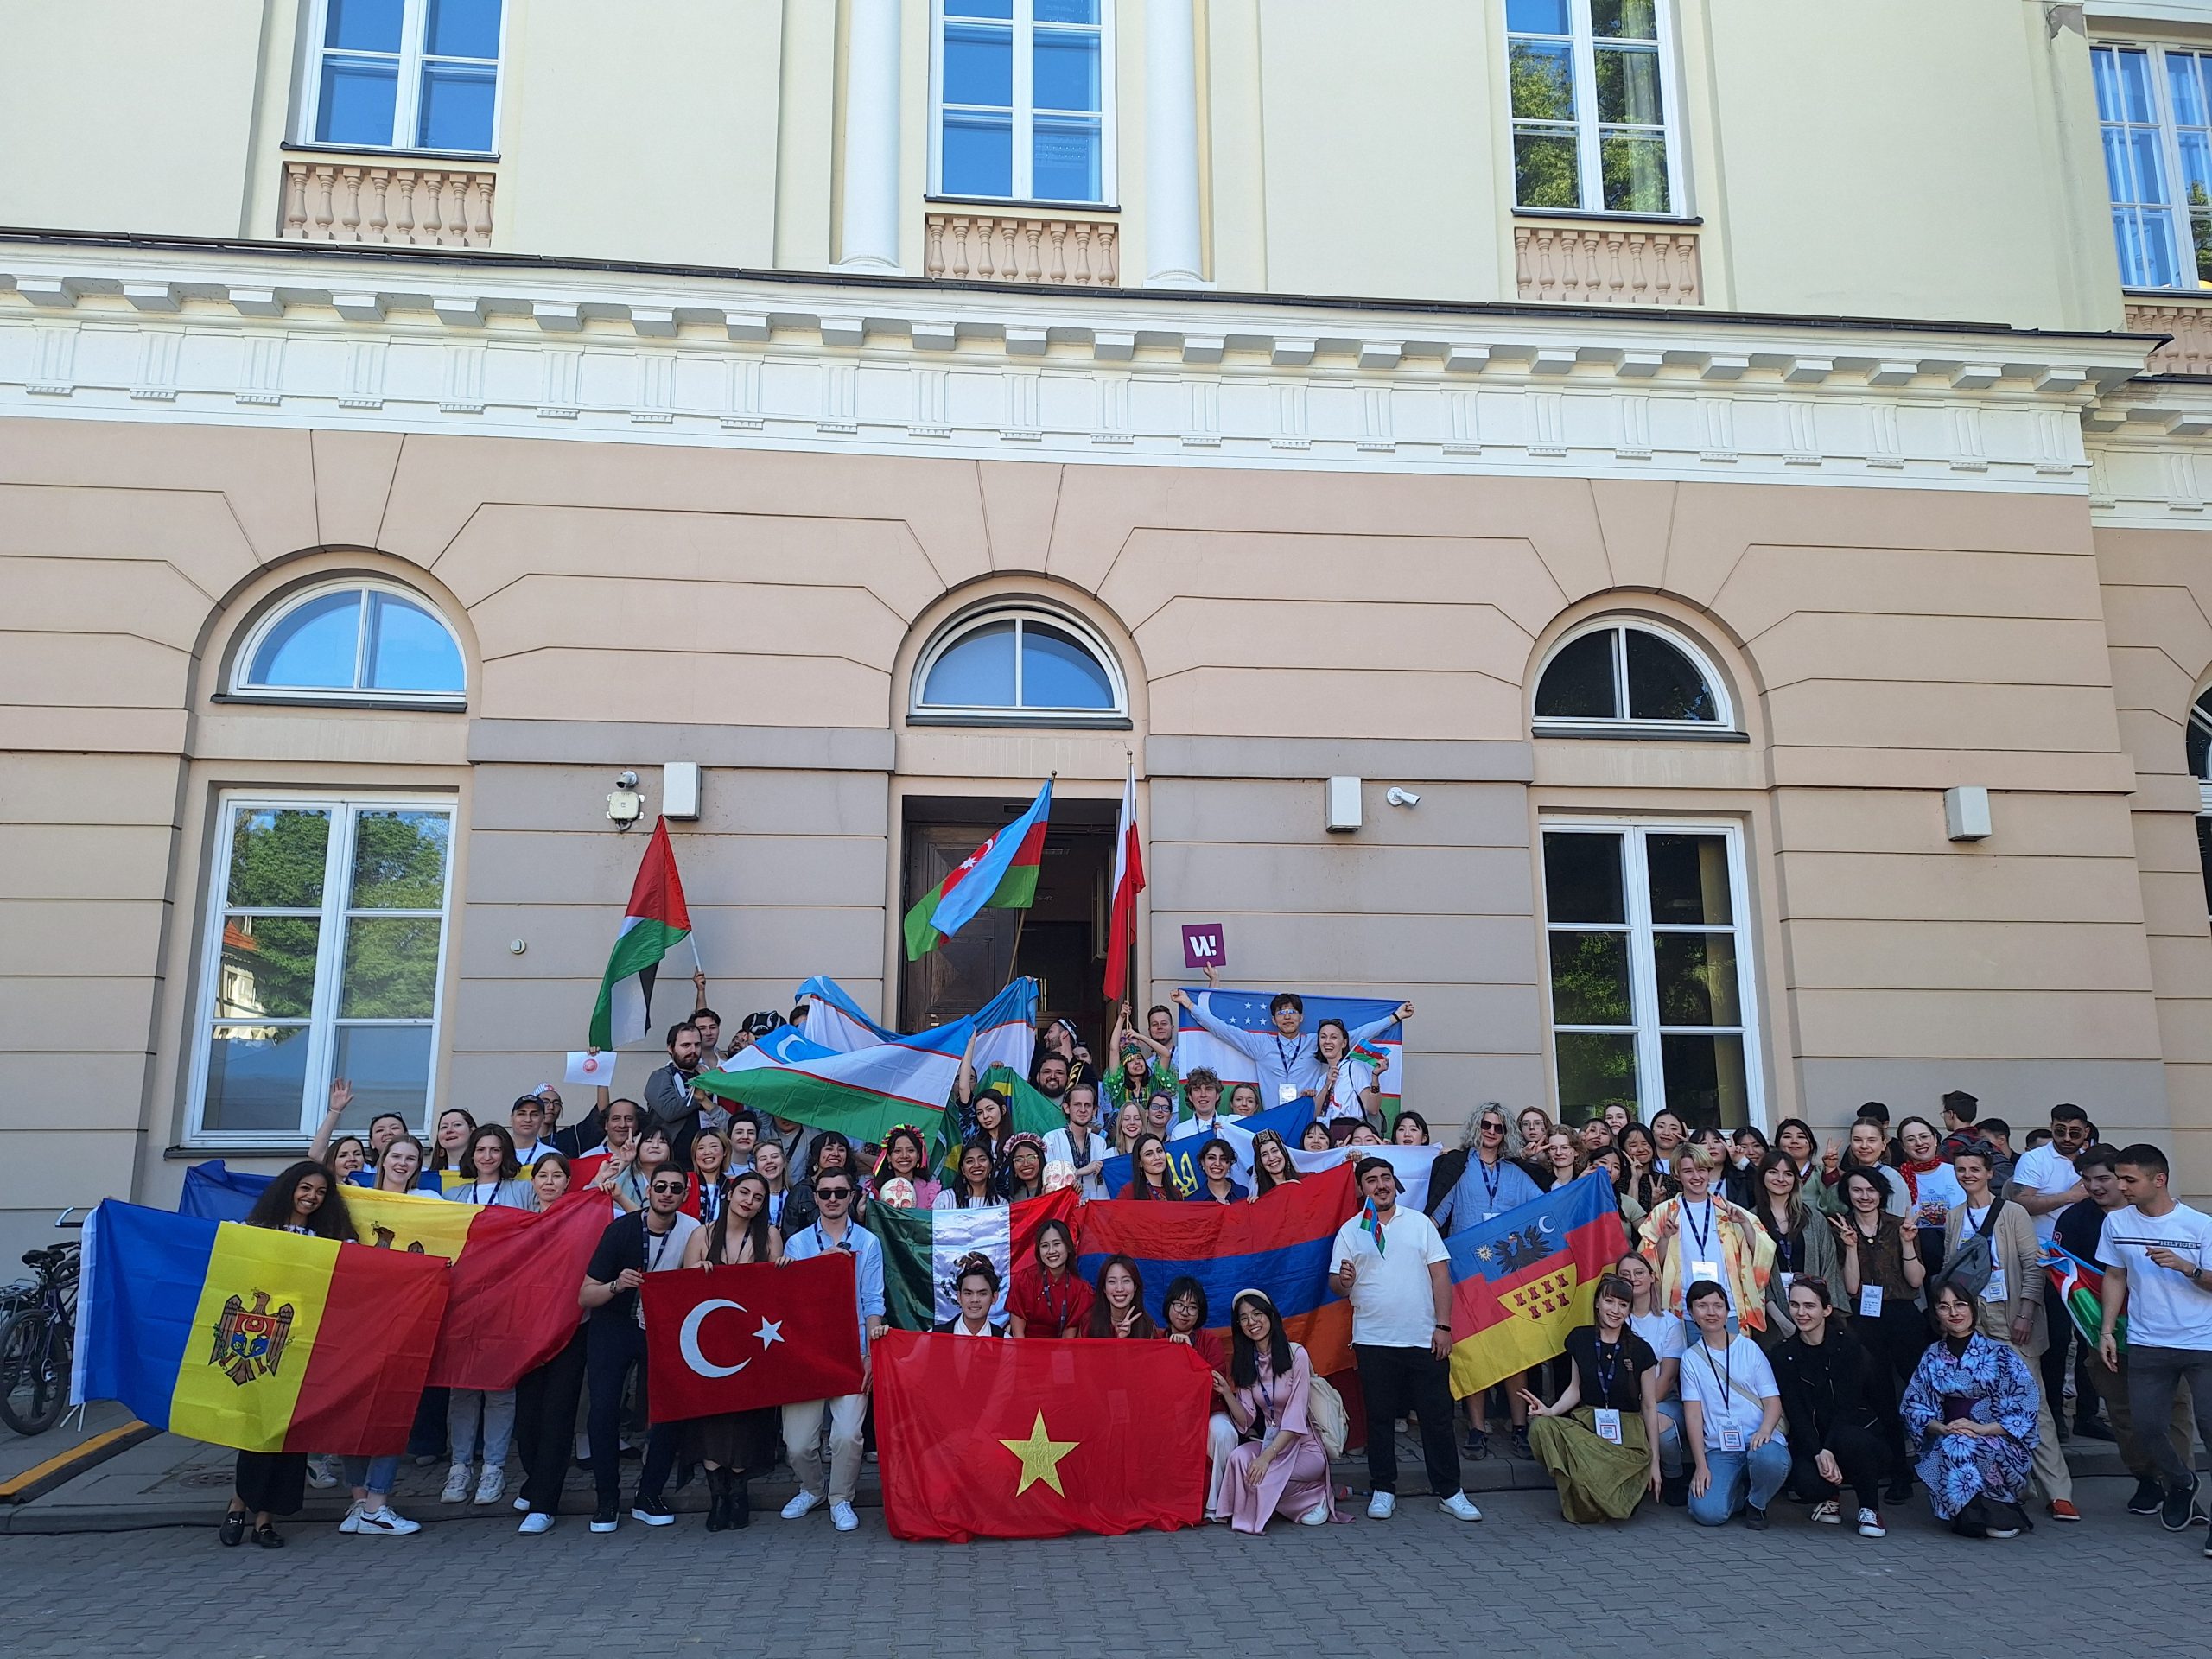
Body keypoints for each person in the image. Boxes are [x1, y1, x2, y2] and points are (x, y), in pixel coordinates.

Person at [222, 1165, 369, 1548]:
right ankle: (239, 1503)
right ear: (289, 1188)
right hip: (259, 1343)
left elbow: (363, 1272)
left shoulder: (332, 1237)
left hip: (307, 1342)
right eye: (305, 1188)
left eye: (321, 1192)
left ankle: (264, 1520)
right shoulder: (255, 1229)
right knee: (256, 1428)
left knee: (289, 1431)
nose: (312, 1197)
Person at [1331, 1157, 1483, 1522]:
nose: (1380, 1185)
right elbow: (1336, 1284)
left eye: (1386, 1178)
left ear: (1395, 1183)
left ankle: (1450, 1491)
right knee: (1380, 1419)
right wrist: (1345, 1280)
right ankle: (1384, 1489)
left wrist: (1443, 1326)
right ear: (1361, 1188)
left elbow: (1441, 1277)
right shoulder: (1351, 1231)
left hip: (1423, 1339)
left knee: (1437, 1418)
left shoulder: (1420, 1224)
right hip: (1373, 1339)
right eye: (1371, 1180)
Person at [1942, 1142, 2075, 1522]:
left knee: (2030, 1402)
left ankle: (2058, 1491)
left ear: (1989, 1173)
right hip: (1971, 1318)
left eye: (1974, 1169)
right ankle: (2017, 1482)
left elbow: (2034, 1267)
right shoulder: (1954, 1216)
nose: (1968, 1175)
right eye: (1961, 1170)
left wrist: (2027, 1312)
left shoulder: (2013, 1212)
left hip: (2011, 1313)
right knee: (1986, 1403)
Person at [2058, 1145, 2188, 1510]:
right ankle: (2146, 1479)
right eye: (2087, 1180)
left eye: (2105, 1178)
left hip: (2167, 1332)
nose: (2096, 1187)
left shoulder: (2167, 1217)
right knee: (2123, 1410)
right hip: (2106, 1331)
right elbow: (2071, 1278)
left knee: (2174, 1409)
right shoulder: (2073, 1220)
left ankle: (2180, 1481)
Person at [579, 1165, 701, 1533]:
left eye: (675, 1188)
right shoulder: (620, 1230)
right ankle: (607, 1500)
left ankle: (649, 1494)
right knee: (602, 1411)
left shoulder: (692, 1230)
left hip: (662, 1330)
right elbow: (586, 1294)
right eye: (660, 1186)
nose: (666, 1193)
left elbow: (696, 1281)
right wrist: (617, 1284)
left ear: (683, 1196)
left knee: (668, 1410)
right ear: (648, 1191)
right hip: (614, 1326)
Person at [2099, 1142, 2212, 1542]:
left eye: (2130, 1179)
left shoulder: (2199, 1225)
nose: (2122, 1186)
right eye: (2120, 1178)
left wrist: (2189, 1268)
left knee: (2210, 1428)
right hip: (2147, 1341)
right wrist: (2107, 1331)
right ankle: (2181, 1482)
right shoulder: (2116, 1223)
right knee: (2145, 1428)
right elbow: (2114, 1276)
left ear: (2158, 1180)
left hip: (2203, 1342)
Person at [779, 1167, 887, 1535]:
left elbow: (873, 1299)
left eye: (840, 1193)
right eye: (825, 1193)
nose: (832, 1199)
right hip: (807, 1353)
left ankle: (840, 1497)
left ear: (851, 1195)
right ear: (816, 1197)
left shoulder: (869, 1243)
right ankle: (811, 1489)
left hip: (850, 1349)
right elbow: (793, 1301)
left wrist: (872, 1351)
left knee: (846, 1436)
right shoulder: (796, 1244)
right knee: (796, 1443)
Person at [678, 1171, 783, 1529]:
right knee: (712, 1417)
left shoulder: (770, 1235)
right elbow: (680, 1288)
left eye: (757, 1197)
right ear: (729, 1194)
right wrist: (697, 1270)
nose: (749, 1201)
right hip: (708, 1344)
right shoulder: (702, 1234)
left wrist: (782, 1269)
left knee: (745, 1417)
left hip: (750, 1343)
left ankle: (738, 1492)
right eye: (744, 1192)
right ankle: (716, 1496)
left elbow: (774, 1293)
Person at [1520, 1274, 1663, 1523]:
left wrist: (1655, 1462)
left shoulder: (1641, 1350)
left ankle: (1601, 1486)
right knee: (1542, 1426)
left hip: (1627, 1433)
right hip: (1587, 1425)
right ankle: (1587, 1485)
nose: (1615, 1310)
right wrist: (1551, 1411)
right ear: (1597, 1303)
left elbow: (1649, 1405)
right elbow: (1575, 1388)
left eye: (1623, 1305)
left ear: (1629, 1310)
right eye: (1609, 1301)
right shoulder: (1581, 1339)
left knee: (1614, 1509)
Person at [1903, 1281, 2041, 1538]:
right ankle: (1973, 1516)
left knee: (1962, 1444)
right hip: (1948, 1432)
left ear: (1973, 1309)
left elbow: (2024, 1407)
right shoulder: (1932, 1356)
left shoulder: (2000, 1354)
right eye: (1944, 1307)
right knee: (1955, 1443)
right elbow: (1915, 1405)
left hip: (1997, 1435)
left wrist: (1980, 1428)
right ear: (1936, 1314)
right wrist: (1941, 1427)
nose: (1953, 1313)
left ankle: (1993, 1515)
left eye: (1960, 1305)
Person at [1172, 969, 1412, 1107]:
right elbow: (1223, 1030)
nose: (1287, 1018)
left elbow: (1354, 1036)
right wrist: (1190, 1005)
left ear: (1301, 1017)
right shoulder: (1261, 1044)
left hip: (1308, 1118)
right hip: (1274, 1117)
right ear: (1274, 1020)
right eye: (1281, 1013)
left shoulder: (1315, 1042)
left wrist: (1393, 1017)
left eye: (1292, 1013)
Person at [1833, 1163, 1925, 1503]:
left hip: (1902, 1316)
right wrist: (1851, 1246)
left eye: (1871, 1189)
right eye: (1857, 1190)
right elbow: (1852, 1286)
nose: (1865, 1196)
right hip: (1865, 1320)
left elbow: (1915, 1280)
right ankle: (1899, 1473)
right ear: (1847, 1194)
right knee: (1882, 1398)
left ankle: (1937, 1466)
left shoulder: (1900, 1225)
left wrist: (1907, 1243)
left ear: (1881, 1192)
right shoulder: (1841, 1228)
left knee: (1919, 1392)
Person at [1772, 1278, 1891, 1536]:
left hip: (1854, 1434)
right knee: (1805, 1484)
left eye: (1809, 1306)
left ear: (1826, 1309)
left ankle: (1870, 1509)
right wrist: (1818, 1452)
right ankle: (1830, 1498)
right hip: (1812, 1438)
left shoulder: (1849, 1347)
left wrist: (1828, 1449)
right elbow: (1795, 1411)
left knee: (1852, 1440)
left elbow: (1848, 1407)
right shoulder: (1783, 1354)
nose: (1801, 1313)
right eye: (1794, 1305)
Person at [1209, 1290, 1335, 1532]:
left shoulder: (1296, 1355)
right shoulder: (1245, 1361)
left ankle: (1316, 1495)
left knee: (1262, 1477)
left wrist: (1266, 1458)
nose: (1252, 1322)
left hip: (1302, 1445)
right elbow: (1245, 1419)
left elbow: (1296, 1417)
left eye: (1257, 1314)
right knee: (1238, 1460)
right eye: (1244, 1318)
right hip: (1270, 1443)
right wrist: (1226, 1392)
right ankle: (1295, 1500)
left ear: (1270, 1315)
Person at [2006, 1103, 2094, 1438]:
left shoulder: (2095, 1157)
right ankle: (2054, 1412)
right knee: (2057, 1340)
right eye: (2060, 1130)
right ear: (2052, 1127)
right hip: (2050, 1260)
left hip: (2091, 1258)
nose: (2067, 1138)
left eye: (2075, 1131)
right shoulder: (2036, 1159)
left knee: (2092, 1339)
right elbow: (2022, 1202)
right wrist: (2068, 1197)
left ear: (2086, 1131)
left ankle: (2087, 1414)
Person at [511, 1155, 588, 1535]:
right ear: (533, 1181)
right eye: (542, 1175)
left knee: (557, 1418)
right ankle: (534, 1480)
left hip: (571, 1331)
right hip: (526, 1332)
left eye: (557, 1176)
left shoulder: (580, 1220)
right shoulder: (518, 1224)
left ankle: (544, 1503)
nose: (549, 1181)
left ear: (567, 1183)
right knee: (527, 1421)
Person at [1678, 1280, 1789, 1529]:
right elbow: (1693, 1416)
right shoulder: (1690, 1359)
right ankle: (1739, 1492)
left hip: (1759, 1440)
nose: (1711, 1312)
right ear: (1692, 1313)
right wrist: (1701, 1466)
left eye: (1717, 1306)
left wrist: (1765, 1430)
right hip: (1721, 1448)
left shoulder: (1749, 1348)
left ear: (1727, 1310)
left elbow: (1773, 1402)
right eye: (1702, 1306)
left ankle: (1757, 1504)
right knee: (1707, 1513)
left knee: (1769, 1459)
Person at [1639, 1145, 1774, 1332]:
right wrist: (1665, 1238)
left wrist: (1744, 1224)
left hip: (1728, 1306)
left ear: (1709, 1172)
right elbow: (1646, 1266)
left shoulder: (1729, 1209)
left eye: (1701, 1170)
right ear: (1677, 1175)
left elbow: (1763, 1251)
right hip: (1682, 1308)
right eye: (1688, 1171)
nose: (1697, 1177)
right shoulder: (1663, 1213)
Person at [1615, 1251, 1687, 1501]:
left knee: (1656, 1424)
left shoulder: (1669, 1323)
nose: (1633, 1279)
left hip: (1662, 1401)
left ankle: (1674, 1475)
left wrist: (1640, 1411)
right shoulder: (1614, 1319)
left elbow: (1666, 1378)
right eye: (1625, 1275)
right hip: (1620, 1400)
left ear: (1652, 1277)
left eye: (1638, 1273)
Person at [1751, 1149, 1840, 1347]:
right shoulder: (1750, 1220)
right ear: (1762, 1176)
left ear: (1796, 1180)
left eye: (1788, 1174)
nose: (1781, 1178)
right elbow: (1748, 1276)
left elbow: (1829, 1265)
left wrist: (1818, 1308)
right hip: (1770, 1315)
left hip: (1814, 1312)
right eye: (1773, 1172)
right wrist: (1780, 1319)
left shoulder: (1814, 1218)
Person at [1433, 1105, 1543, 1234]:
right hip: (1466, 1249)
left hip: (1505, 1250)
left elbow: (1545, 1205)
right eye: (1486, 1125)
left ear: (1505, 1134)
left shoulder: (1517, 1173)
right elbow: (1437, 1216)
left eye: (1498, 1128)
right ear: (1476, 1127)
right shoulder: (1459, 1166)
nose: (1492, 1132)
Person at [1897, 1114, 1964, 1274]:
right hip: (1916, 1255)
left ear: (1935, 1139)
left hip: (1957, 1252)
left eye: (1924, 1136)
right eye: (1911, 1139)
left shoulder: (1958, 1172)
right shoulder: (1898, 1178)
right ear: (1903, 1146)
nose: (1919, 1143)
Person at [1007, 1219, 1091, 1338]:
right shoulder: (1025, 1280)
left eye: (1057, 1244)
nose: (1051, 1251)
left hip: (1061, 1352)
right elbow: (1018, 1334)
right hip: (1024, 1350)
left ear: (1068, 1247)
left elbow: (1069, 1338)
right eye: (1045, 1246)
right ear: (1038, 1251)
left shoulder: (1079, 1289)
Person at [641, 1020, 703, 1163]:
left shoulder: (706, 1077)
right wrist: (702, 1095)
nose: (693, 1050)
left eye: (697, 1045)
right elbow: (669, 1111)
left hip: (705, 1159)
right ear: (670, 1048)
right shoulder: (660, 1076)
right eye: (686, 1045)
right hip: (672, 1161)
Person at [1042, 1081, 1107, 1198]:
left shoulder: (1100, 1143)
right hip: (1063, 1208)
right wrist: (1081, 1171)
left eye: (1087, 1105)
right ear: (1067, 1108)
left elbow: (1102, 1184)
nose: (1083, 1110)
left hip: (1093, 1209)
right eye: (1077, 1104)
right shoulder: (1051, 1139)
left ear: (1094, 1110)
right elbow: (1049, 1181)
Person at [447, 1124, 534, 1211]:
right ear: (472, 1154)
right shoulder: (452, 1196)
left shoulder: (525, 1190)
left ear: (504, 1154)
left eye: (495, 1150)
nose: (487, 1157)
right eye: (480, 1150)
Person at [933, 1255, 1008, 1337]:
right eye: (968, 1293)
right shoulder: (933, 1338)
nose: (975, 1299)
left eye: (982, 1294)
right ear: (959, 1297)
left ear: (994, 1297)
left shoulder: (1006, 1342)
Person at [869, 1123, 940, 1210]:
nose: (904, 1155)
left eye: (910, 1150)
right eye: (897, 1151)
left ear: (918, 1156)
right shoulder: (873, 1191)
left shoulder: (931, 1193)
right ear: (889, 1157)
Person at [1085, 1255, 1158, 1338]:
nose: (1119, 1289)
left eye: (1126, 1281)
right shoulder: (1088, 1322)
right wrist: (1118, 1339)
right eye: (1112, 1281)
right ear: (1104, 1288)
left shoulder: (1147, 1326)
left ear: (1135, 1286)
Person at [933, 1137, 1007, 1210]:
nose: (976, 1165)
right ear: (962, 1169)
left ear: (990, 1166)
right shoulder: (945, 1199)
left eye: (982, 1160)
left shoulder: (1002, 1204)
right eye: (970, 1161)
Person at [1618, 1122, 1671, 1216]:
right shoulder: (1617, 1181)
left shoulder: (1666, 1181)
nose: (1641, 1149)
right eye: (1633, 1145)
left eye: (1645, 1143)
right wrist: (1634, 1181)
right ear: (1623, 1150)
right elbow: (1627, 1218)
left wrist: (1655, 1206)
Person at [423, 1106, 478, 1191]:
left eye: (457, 1125)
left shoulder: (487, 1176)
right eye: (444, 1127)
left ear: (472, 1131)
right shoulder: (425, 1180)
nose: (449, 1130)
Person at [688, 1127, 730, 1227]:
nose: (707, 1152)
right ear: (694, 1154)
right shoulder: (685, 1181)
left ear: (724, 1151)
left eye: (713, 1146)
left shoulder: (734, 1185)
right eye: (701, 1148)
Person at [1185, 1138, 1249, 1204]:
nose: (1217, 1164)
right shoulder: (1192, 1201)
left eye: (1224, 1159)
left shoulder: (1244, 1194)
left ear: (1230, 1164)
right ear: (1202, 1162)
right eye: (1211, 1158)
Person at [506, 1093, 558, 1169]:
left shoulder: (552, 1156)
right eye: (521, 1114)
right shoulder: (497, 1153)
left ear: (543, 1119)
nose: (528, 1119)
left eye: (534, 1115)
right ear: (511, 1118)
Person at [1125, 1132, 1179, 1200]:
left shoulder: (1176, 1193)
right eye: (1149, 1154)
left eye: (1160, 1151)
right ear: (1139, 1163)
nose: (1157, 1157)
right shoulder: (1129, 1192)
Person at [999, 1132, 1047, 1202]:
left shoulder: (1055, 1188)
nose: (1026, 1164)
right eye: (1019, 1159)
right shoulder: (1013, 1198)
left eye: (1031, 1157)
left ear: (1041, 1159)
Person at [1251, 1129, 1301, 1197]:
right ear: (1260, 1162)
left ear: (1284, 1152)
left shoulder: (1305, 1180)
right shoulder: (1260, 1196)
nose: (1271, 1158)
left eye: (1275, 1151)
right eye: (1264, 1155)